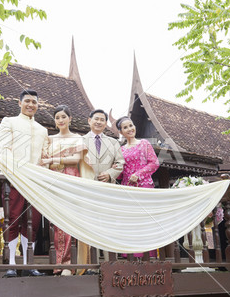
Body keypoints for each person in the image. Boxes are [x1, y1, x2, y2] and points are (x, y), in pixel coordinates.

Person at [0, 89, 49, 277]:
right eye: (27, 101)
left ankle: (28, 263)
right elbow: (3, 149)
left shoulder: (43, 130)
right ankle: (11, 264)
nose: (30, 105)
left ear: (37, 105)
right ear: (20, 103)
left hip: (35, 182)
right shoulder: (8, 122)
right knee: (13, 219)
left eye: (34, 102)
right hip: (14, 178)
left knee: (32, 222)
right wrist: (18, 171)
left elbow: (44, 157)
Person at [41, 105, 94, 276]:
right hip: (53, 181)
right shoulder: (49, 139)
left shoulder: (77, 138)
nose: (61, 120)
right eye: (57, 117)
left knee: (70, 222)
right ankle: (60, 264)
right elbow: (43, 160)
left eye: (64, 116)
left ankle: (70, 265)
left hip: (70, 179)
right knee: (57, 224)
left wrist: (54, 159)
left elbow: (76, 159)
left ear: (70, 119)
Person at [81, 109, 125, 273]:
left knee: (106, 225)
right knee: (90, 225)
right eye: (96, 119)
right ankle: (92, 264)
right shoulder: (80, 141)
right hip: (87, 188)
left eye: (102, 120)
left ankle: (108, 264)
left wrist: (110, 174)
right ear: (89, 121)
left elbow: (120, 163)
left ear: (106, 123)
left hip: (106, 189)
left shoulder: (113, 143)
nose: (99, 122)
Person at [115, 116, 160, 258]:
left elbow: (154, 163)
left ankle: (147, 255)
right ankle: (129, 255)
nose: (130, 129)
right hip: (127, 189)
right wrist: (115, 170)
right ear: (121, 132)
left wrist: (138, 174)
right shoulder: (120, 150)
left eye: (131, 125)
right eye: (125, 127)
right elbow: (120, 175)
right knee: (129, 222)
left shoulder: (144, 144)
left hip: (144, 187)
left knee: (145, 221)